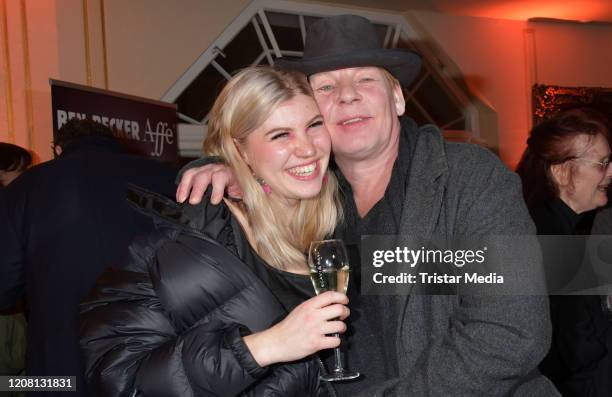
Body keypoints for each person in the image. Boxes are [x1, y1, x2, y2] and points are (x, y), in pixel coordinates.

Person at [176, 14, 559, 396]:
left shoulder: (469, 178)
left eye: (365, 79)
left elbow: (511, 330)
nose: (346, 95)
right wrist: (225, 167)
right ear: (313, 115)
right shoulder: (308, 199)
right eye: (325, 87)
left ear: (397, 98)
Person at [79, 67, 349, 396]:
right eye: (281, 135)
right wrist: (264, 347)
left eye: (314, 125)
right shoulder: (184, 242)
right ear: (241, 150)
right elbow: (122, 379)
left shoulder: (342, 218)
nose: (308, 148)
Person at [0, 119, 177, 396]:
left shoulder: (25, 187)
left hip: (60, 366)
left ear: (58, 149)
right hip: (150, 352)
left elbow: (3, 287)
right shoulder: (164, 176)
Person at [516, 109, 612, 396]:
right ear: (560, 172)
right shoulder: (546, 235)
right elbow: (573, 351)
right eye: (602, 164)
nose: (611, 173)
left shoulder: (564, 228)